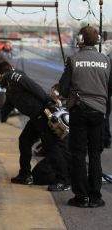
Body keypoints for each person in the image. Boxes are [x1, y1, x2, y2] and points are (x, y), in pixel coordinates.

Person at [58, 26, 112, 208]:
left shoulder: (73, 60)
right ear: (96, 40)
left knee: (78, 154)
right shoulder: (106, 60)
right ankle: (96, 197)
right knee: (95, 154)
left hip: (79, 112)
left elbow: (64, 90)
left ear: (80, 38)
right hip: (99, 113)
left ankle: (81, 197)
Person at [0, 61, 70, 192]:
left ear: (2, 73)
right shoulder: (10, 88)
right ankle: (25, 174)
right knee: (24, 140)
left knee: (53, 146)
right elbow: (7, 106)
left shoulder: (14, 77)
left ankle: (63, 180)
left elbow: (35, 88)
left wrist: (48, 102)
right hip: (35, 117)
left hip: (42, 114)